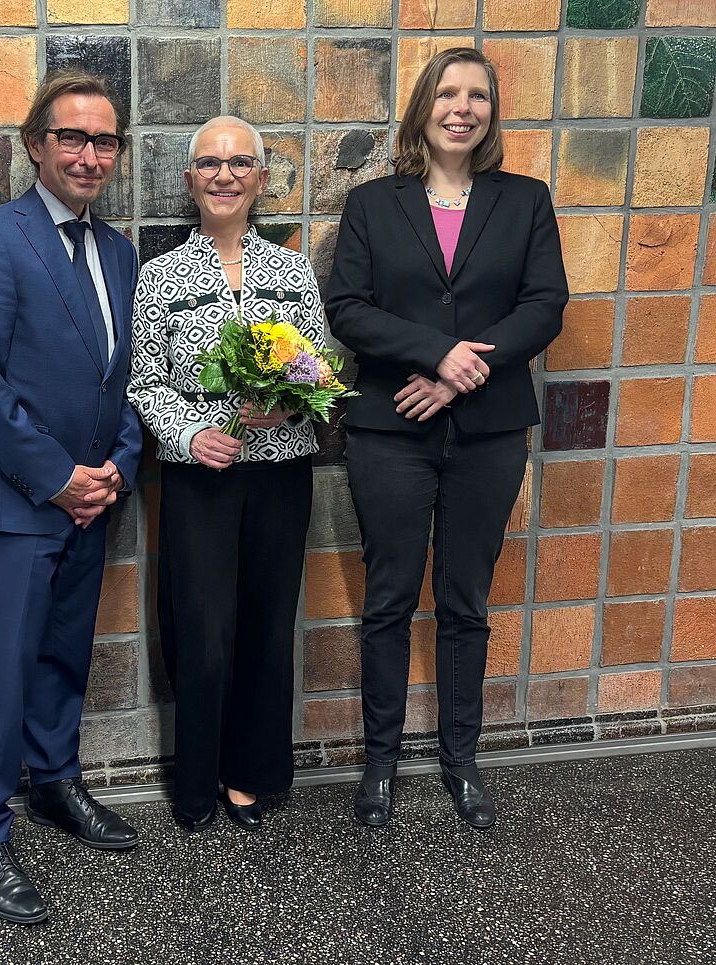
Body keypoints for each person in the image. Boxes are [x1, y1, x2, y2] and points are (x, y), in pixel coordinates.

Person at [324, 48, 567, 830]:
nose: (462, 108)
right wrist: (435, 353)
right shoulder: (372, 204)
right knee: (390, 599)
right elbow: (348, 308)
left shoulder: (525, 201)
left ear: (492, 112)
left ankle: (461, 758)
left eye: (478, 96)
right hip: (389, 429)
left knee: (466, 600)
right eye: (448, 93)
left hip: (490, 432)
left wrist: (462, 372)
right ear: (423, 106)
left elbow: (544, 305)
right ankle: (382, 760)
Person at [0, 71, 142, 924]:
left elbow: (131, 376)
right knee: (4, 670)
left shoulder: (121, 252)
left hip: (94, 498)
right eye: (73, 138)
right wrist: (57, 477)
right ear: (36, 144)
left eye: (104, 142)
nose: (89, 155)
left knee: (65, 657)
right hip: (25, 501)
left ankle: (56, 781)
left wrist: (115, 470)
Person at [128, 116, 325, 833]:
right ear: (189, 181)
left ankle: (250, 773)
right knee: (202, 631)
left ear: (262, 181)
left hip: (279, 476)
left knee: (267, 627)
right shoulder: (159, 276)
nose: (224, 174)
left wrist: (286, 403)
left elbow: (321, 369)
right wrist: (189, 433)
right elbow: (145, 382)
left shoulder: (293, 271)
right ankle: (195, 778)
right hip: (200, 476)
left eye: (240, 162)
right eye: (208, 163)